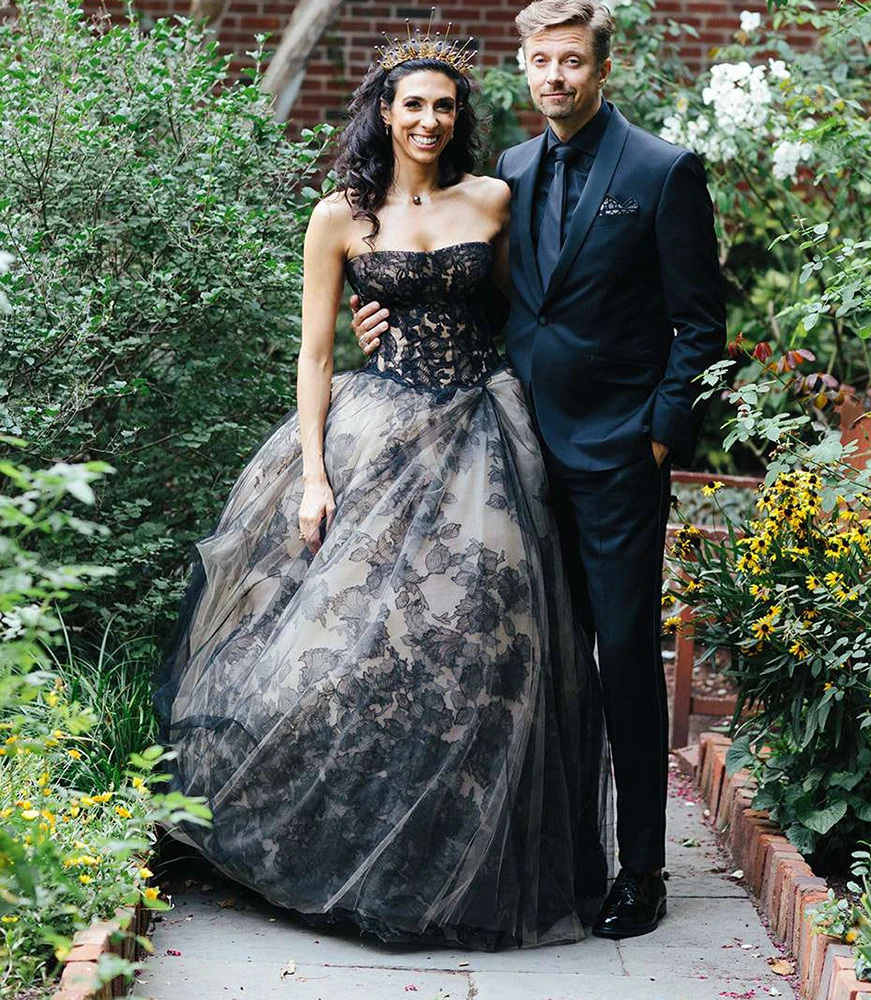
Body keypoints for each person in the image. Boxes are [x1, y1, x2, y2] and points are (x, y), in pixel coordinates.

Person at [153, 25, 612, 950]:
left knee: (480, 646)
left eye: (445, 106)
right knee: (341, 648)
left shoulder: (493, 199)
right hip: (374, 435)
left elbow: (525, 316)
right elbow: (315, 352)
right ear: (385, 112)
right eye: (414, 104)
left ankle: (456, 864)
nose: (430, 120)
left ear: (459, 117)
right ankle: (341, 852)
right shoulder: (341, 217)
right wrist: (314, 476)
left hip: (483, 432)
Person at [351, 0, 727, 940]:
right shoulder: (507, 175)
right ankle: (564, 858)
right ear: (525, 69)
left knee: (623, 656)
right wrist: (387, 325)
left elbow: (701, 324)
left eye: (571, 61)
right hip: (509, 447)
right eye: (540, 61)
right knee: (525, 653)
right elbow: (481, 294)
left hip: (614, 457)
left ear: (602, 69)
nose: (554, 76)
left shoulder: (661, 171)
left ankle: (642, 867)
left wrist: (660, 435)